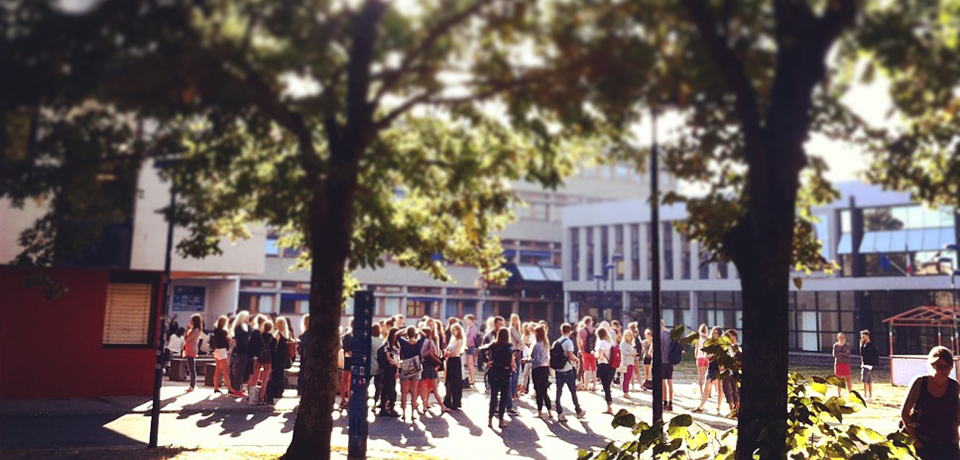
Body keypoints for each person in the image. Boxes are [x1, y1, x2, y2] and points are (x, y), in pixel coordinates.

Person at [900, 346, 960, 459]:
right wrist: (916, 441)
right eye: (939, 366)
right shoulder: (920, 383)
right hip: (923, 441)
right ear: (932, 365)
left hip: (948, 443)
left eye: (947, 367)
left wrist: (955, 437)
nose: (944, 370)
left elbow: (955, 414)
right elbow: (905, 413)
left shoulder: (954, 386)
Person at [481, 328, 515, 429]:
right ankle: (501, 420)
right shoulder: (508, 347)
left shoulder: (493, 344)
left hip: (493, 372)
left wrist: (487, 360)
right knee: (503, 398)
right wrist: (510, 365)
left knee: (493, 397)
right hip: (504, 373)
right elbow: (508, 361)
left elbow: (482, 349)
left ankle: (490, 419)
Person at [554, 323, 585, 422]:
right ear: (570, 330)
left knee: (559, 392)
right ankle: (578, 411)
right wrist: (576, 360)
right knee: (573, 391)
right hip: (567, 369)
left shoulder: (557, 341)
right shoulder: (568, 342)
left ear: (561, 330)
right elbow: (570, 355)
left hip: (558, 370)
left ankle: (559, 413)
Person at [693, 327, 725, 414]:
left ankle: (719, 407)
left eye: (717, 333)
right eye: (714, 333)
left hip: (721, 367)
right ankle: (701, 406)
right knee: (707, 386)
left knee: (720, 388)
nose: (715, 335)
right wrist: (712, 355)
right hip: (712, 366)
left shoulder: (723, 343)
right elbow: (706, 355)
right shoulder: (710, 343)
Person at [419, 326, 447, 415]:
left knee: (423, 387)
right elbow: (435, 352)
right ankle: (442, 406)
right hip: (431, 365)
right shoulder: (431, 341)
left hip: (423, 365)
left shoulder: (419, 342)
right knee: (434, 388)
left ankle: (424, 405)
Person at [398, 327, 424, 422]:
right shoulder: (418, 343)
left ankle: (404, 414)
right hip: (416, 368)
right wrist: (418, 329)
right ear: (415, 334)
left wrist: (404, 329)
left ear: (407, 334)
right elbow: (424, 335)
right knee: (414, 392)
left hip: (405, 367)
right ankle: (413, 414)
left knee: (404, 392)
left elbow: (397, 334)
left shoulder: (404, 342)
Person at [530, 325, 553, 420]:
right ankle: (549, 411)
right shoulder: (545, 343)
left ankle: (539, 412)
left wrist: (527, 360)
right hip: (545, 368)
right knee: (544, 391)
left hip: (537, 369)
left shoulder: (536, 345)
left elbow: (537, 360)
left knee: (538, 390)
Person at [211, 315, 237, 396]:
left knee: (217, 370)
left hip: (216, 350)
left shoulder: (215, 330)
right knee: (226, 370)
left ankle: (216, 387)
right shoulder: (224, 331)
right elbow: (230, 338)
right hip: (222, 350)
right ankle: (229, 388)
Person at [378, 327, 401, 417]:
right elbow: (388, 356)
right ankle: (389, 407)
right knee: (389, 388)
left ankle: (388, 406)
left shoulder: (397, 344)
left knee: (390, 387)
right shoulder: (388, 343)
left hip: (393, 368)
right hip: (389, 368)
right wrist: (396, 364)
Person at [444, 323, 465, 410]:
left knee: (455, 382)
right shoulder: (452, 340)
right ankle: (448, 401)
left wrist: (448, 353)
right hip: (449, 361)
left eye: (454, 330)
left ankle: (455, 402)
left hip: (455, 361)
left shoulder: (459, 340)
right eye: (451, 330)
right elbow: (447, 350)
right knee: (448, 381)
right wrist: (447, 353)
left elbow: (454, 353)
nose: (452, 332)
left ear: (458, 331)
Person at [229, 311, 250, 395]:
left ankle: (238, 388)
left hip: (241, 350)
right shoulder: (241, 328)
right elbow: (245, 339)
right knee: (240, 370)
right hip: (242, 350)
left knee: (240, 370)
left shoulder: (239, 327)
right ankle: (237, 389)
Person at [256, 321, 277, 405]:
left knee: (254, 377)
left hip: (259, 358)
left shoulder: (259, 337)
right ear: (271, 328)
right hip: (268, 360)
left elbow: (256, 348)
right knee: (265, 379)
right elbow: (274, 352)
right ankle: (261, 398)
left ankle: (252, 396)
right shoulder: (273, 339)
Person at [721, 329, 741, 412]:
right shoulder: (725, 347)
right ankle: (732, 409)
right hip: (726, 371)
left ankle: (737, 409)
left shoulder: (737, 348)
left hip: (735, 372)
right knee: (728, 390)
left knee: (735, 390)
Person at [183, 314, 203, 393]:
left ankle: (192, 385)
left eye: (191, 320)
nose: (190, 322)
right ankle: (192, 385)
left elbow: (186, 339)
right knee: (191, 368)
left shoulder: (195, 330)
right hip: (191, 349)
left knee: (191, 368)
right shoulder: (196, 330)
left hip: (191, 350)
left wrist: (186, 330)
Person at [579, 317, 597, 391]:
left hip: (585, 352)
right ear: (591, 322)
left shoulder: (582, 331)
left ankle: (586, 386)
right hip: (594, 352)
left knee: (586, 370)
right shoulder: (595, 330)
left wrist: (581, 349)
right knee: (594, 369)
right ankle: (594, 386)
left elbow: (580, 341)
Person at [860, 330, 879, 401]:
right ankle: (870, 394)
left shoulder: (869, 345)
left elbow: (862, 353)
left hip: (867, 364)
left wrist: (861, 344)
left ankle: (865, 394)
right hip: (867, 364)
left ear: (867, 336)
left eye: (863, 336)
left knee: (864, 379)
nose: (862, 337)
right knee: (868, 379)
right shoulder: (866, 344)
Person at [660, 320, 675, 410]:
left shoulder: (659, 335)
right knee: (670, 382)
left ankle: (664, 401)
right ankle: (671, 402)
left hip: (661, 361)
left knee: (663, 382)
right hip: (670, 361)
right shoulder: (670, 334)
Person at [369, 324, 384, 413]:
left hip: (370, 365)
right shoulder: (382, 341)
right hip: (379, 366)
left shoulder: (369, 340)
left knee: (366, 384)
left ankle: (365, 402)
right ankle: (375, 404)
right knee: (377, 386)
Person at [833, 332, 852, 397]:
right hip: (838, 363)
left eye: (842, 337)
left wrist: (840, 353)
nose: (841, 338)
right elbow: (835, 354)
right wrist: (843, 353)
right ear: (838, 338)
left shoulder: (847, 345)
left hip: (846, 363)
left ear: (845, 338)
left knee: (848, 378)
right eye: (840, 337)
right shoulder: (835, 345)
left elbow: (848, 354)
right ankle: (839, 394)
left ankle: (850, 393)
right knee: (839, 380)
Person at [620, 329, 637, 399]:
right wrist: (631, 354)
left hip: (631, 362)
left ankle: (626, 391)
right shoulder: (623, 343)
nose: (628, 336)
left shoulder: (631, 344)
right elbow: (623, 352)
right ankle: (625, 392)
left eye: (629, 335)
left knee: (629, 377)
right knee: (626, 378)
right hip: (625, 363)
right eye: (627, 335)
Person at [296, 314, 310, 395]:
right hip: (306, 355)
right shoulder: (307, 332)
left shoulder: (307, 332)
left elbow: (306, 343)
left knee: (303, 372)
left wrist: (300, 343)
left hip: (305, 356)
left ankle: (301, 388)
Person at [520, 323, 535, 395]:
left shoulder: (532, 336)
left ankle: (531, 390)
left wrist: (525, 343)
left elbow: (531, 346)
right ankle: (524, 388)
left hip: (530, 357)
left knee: (530, 374)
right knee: (525, 374)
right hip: (525, 356)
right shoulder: (523, 336)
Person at [464, 315, 479, 385]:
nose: (466, 321)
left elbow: (471, 338)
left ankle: (472, 379)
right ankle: (471, 378)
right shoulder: (469, 327)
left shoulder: (473, 327)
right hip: (468, 346)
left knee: (470, 363)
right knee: (469, 363)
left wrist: (467, 345)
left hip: (470, 346)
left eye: (467, 319)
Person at [695, 324, 709, 395]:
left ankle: (701, 391)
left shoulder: (698, 338)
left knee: (701, 375)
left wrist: (696, 357)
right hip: (707, 357)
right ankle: (708, 391)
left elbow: (696, 349)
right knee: (707, 375)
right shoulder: (708, 338)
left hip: (700, 357)